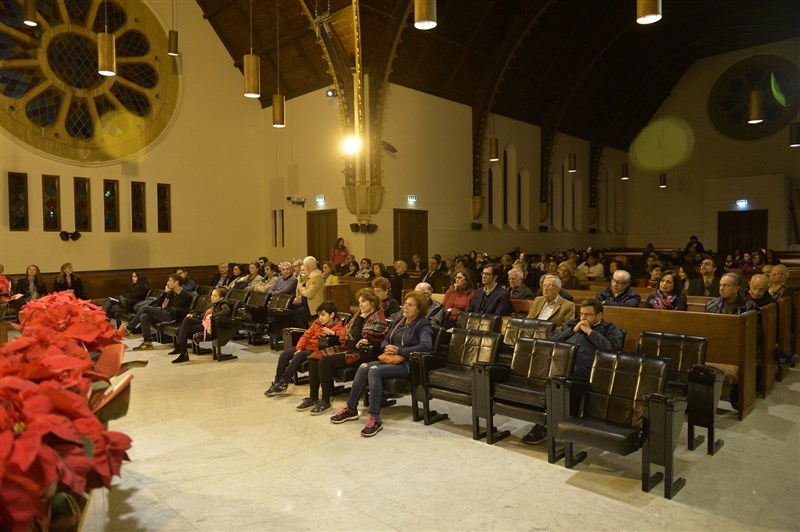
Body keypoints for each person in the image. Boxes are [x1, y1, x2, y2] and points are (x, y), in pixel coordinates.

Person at [330, 291, 433, 437]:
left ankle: (375, 418)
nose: (405, 307)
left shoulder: (423, 324)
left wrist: (401, 350)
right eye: (405, 304)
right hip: (390, 358)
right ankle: (351, 409)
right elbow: (386, 338)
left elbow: (426, 346)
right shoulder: (400, 320)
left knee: (374, 370)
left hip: (409, 364)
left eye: (410, 305)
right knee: (364, 366)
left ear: (419, 308)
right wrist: (387, 347)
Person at [523, 299, 624, 445]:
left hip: (586, 369)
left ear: (599, 315)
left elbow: (613, 350)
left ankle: (546, 426)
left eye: (588, 315)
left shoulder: (610, 329)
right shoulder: (572, 324)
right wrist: (572, 331)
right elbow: (552, 339)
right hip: (560, 363)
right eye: (582, 314)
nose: (583, 318)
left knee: (564, 380)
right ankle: (543, 421)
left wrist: (590, 332)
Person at [297, 288, 388, 415]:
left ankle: (325, 401)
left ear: (372, 303)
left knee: (325, 361)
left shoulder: (377, 319)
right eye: (359, 301)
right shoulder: (359, 314)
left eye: (363, 301)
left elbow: (360, 339)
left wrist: (358, 327)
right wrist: (352, 342)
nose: (360, 304)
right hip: (350, 348)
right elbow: (345, 334)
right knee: (314, 356)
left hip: (362, 355)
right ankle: (313, 397)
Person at [265, 301, 345, 395]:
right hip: (306, 346)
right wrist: (299, 348)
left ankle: (284, 383)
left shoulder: (338, 326)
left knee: (299, 355)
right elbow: (306, 335)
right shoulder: (317, 323)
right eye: (319, 315)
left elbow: (343, 334)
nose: (320, 318)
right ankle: (277, 382)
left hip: (316, 350)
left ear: (331, 315)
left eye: (323, 315)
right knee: (284, 355)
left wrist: (333, 333)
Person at [122, 274, 193, 351]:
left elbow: (176, 309)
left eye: (170, 281)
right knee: (144, 316)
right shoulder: (171, 293)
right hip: (165, 313)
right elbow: (159, 304)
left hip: (173, 317)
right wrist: (165, 293)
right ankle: (147, 342)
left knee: (145, 308)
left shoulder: (185, 295)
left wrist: (166, 307)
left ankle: (129, 328)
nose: (167, 283)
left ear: (176, 282)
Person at [169, 287, 233, 363]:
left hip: (210, 326)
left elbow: (226, 311)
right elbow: (203, 316)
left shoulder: (223, 303)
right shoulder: (212, 304)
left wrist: (213, 316)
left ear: (221, 298)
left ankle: (182, 352)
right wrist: (194, 316)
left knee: (182, 329)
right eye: (212, 295)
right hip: (203, 322)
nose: (212, 297)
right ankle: (181, 351)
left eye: (215, 296)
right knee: (186, 320)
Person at [293, 256, 324, 328]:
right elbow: (303, 280)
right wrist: (300, 278)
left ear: (307, 267)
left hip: (313, 307)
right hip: (306, 304)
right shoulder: (311, 275)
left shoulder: (317, 276)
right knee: (291, 308)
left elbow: (310, 293)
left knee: (295, 315)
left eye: (304, 266)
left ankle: (305, 333)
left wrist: (301, 289)